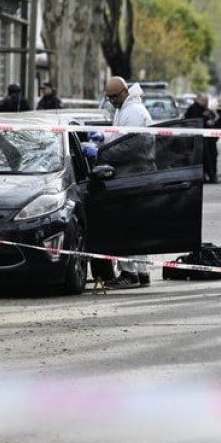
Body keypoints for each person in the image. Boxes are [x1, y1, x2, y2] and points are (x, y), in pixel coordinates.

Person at [100, 77, 154, 290]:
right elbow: (119, 138)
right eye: (109, 97)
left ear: (124, 91)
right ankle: (141, 272)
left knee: (127, 225)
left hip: (133, 173)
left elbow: (129, 146)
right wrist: (103, 139)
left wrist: (102, 152)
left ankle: (129, 273)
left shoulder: (133, 112)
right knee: (136, 226)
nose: (112, 101)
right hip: (135, 172)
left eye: (114, 96)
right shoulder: (125, 109)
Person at [184, 94, 220, 183]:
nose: (206, 103)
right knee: (205, 158)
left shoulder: (204, 109)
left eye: (207, 101)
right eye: (205, 101)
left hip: (207, 137)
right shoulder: (194, 108)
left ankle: (208, 176)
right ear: (199, 100)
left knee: (210, 156)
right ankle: (210, 176)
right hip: (199, 138)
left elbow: (213, 117)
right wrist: (206, 122)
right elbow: (195, 121)